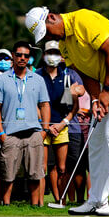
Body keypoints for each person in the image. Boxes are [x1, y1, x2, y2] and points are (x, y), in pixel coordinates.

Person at [29, 6, 109, 216]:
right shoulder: (64, 43)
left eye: (47, 32)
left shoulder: (84, 19)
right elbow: (85, 73)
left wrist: (108, 90)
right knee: (97, 139)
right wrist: (95, 99)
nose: (49, 37)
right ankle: (97, 200)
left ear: (51, 17)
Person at [0, 40, 51, 206]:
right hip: (10, 134)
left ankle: (35, 205)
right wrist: (1, 132)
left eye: (26, 55)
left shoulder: (37, 79)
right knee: (7, 174)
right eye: (19, 55)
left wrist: (44, 130)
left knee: (35, 173)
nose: (22, 58)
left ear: (29, 58)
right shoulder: (2, 79)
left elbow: (45, 105)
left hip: (33, 132)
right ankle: (6, 204)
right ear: (13, 56)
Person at [38, 39, 82, 205]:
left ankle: (60, 200)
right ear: (44, 55)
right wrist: (45, 124)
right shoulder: (37, 76)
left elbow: (74, 107)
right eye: (50, 53)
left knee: (61, 168)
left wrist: (62, 123)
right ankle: (40, 202)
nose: (52, 56)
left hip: (61, 126)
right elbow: (35, 104)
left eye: (56, 53)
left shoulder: (67, 77)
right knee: (42, 168)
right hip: (42, 127)